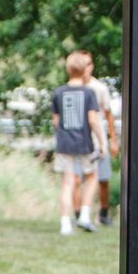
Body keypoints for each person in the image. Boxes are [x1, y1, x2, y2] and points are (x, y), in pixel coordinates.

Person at [52, 51, 107, 235]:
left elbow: (56, 122)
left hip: (65, 143)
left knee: (67, 182)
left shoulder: (58, 93)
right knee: (91, 176)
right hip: (84, 142)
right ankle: (84, 214)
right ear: (84, 70)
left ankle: (65, 223)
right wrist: (102, 143)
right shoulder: (89, 93)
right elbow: (93, 120)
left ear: (68, 70)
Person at [73, 51, 120, 226]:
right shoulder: (73, 88)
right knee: (77, 179)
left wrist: (112, 141)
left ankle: (104, 213)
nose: (86, 68)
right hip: (78, 140)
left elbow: (108, 115)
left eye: (89, 64)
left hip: (97, 139)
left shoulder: (99, 88)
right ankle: (79, 215)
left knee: (102, 179)